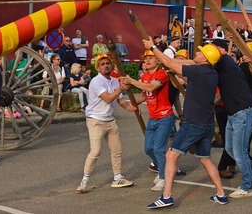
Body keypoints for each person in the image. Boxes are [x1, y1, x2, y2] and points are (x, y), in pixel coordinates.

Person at [143, 40, 227, 208]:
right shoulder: (211, 73)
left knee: (171, 155)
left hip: (193, 122)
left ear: (205, 58)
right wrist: (173, 70)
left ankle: (166, 196)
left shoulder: (199, 71)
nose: (197, 53)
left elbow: (169, 62)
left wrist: (153, 47)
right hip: (207, 123)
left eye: (200, 52)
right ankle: (221, 194)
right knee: (205, 158)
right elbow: (179, 70)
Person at [76, 53, 138, 193]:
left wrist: (131, 108)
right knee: (95, 151)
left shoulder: (115, 81)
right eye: (102, 64)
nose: (106, 66)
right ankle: (84, 181)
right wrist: (121, 89)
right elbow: (108, 99)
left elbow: (120, 101)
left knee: (117, 150)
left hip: (110, 120)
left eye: (108, 63)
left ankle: (117, 177)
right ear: (98, 68)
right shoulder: (96, 81)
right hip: (95, 121)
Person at [211, 39, 252, 199]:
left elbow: (196, 66)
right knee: (231, 149)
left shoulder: (223, 61)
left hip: (243, 113)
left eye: (211, 48)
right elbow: (221, 94)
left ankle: (247, 186)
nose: (207, 52)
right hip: (236, 113)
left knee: (239, 152)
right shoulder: (225, 65)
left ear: (221, 50)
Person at [121, 50, 175, 192]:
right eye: (146, 58)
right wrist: (134, 104)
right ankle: (162, 169)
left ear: (157, 60)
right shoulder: (145, 76)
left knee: (158, 148)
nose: (147, 60)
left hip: (165, 116)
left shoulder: (162, 74)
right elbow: (145, 95)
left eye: (151, 57)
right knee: (148, 148)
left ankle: (163, 178)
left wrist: (132, 81)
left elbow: (152, 87)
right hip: (153, 117)